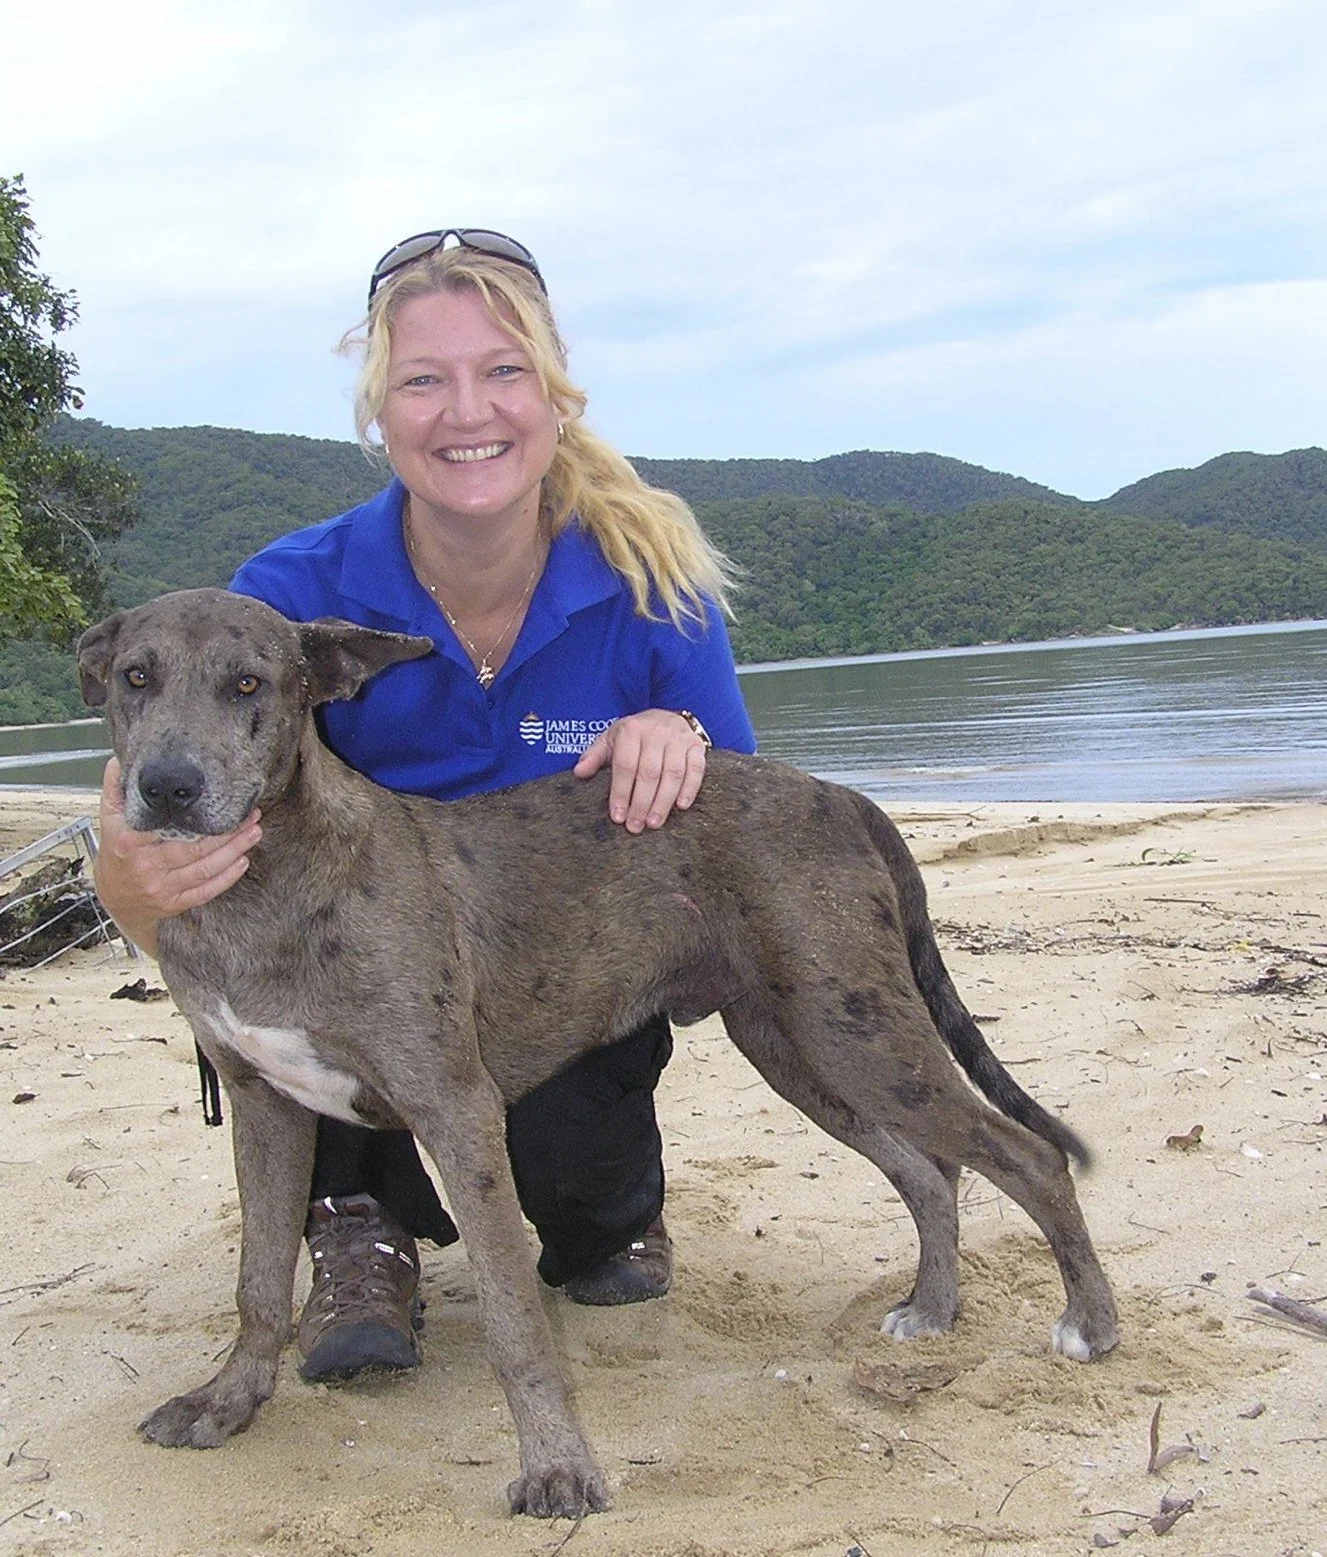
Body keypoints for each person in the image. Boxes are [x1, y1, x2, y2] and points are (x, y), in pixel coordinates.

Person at [93, 228, 757, 1383]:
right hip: (349, 962)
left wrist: (682, 732)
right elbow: (171, 771)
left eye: (503, 372)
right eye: (423, 379)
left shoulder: (648, 575)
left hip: (549, 956)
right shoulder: (294, 593)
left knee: (583, 1206)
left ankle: (608, 1203)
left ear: (553, 396)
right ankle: (356, 1221)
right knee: (331, 989)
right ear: (379, 414)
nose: (467, 411)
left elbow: (737, 819)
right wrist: (131, 882)